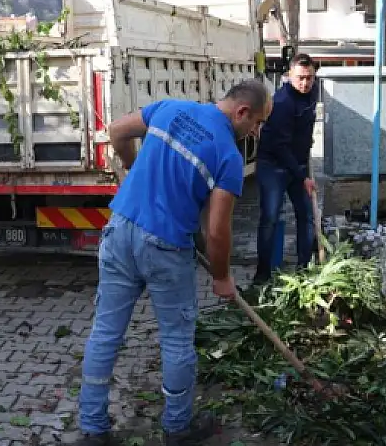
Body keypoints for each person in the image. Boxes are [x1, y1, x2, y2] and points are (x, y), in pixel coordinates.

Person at [77, 79, 272, 446]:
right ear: (242, 112)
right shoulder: (228, 156)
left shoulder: (169, 108)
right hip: (165, 248)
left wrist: (133, 170)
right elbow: (216, 232)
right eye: (258, 123)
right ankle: (177, 428)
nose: (256, 131)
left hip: (119, 232)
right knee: (176, 339)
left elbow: (117, 131)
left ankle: (92, 428)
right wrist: (223, 277)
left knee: (105, 335)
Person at [252, 53, 319, 286]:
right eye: (300, 78)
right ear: (289, 75)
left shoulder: (312, 94)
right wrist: (303, 176)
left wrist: (304, 167)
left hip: (297, 165)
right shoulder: (281, 102)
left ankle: (304, 269)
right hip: (274, 166)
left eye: (309, 78)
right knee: (271, 217)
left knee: (307, 216)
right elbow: (280, 146)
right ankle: (263, 274)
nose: (305, 83)